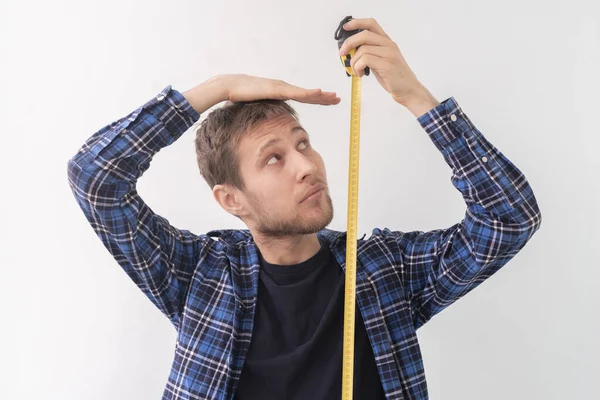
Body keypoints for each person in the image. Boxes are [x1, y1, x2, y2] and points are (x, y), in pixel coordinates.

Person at [67, 17, 542, 400]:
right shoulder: (198, 277)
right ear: (231, 200)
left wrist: (414, 97)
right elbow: (96, 177)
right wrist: (219, 87)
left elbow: (509, 218)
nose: (307, 166)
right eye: (274, 158)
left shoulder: (383, 271)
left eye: (304, 144)